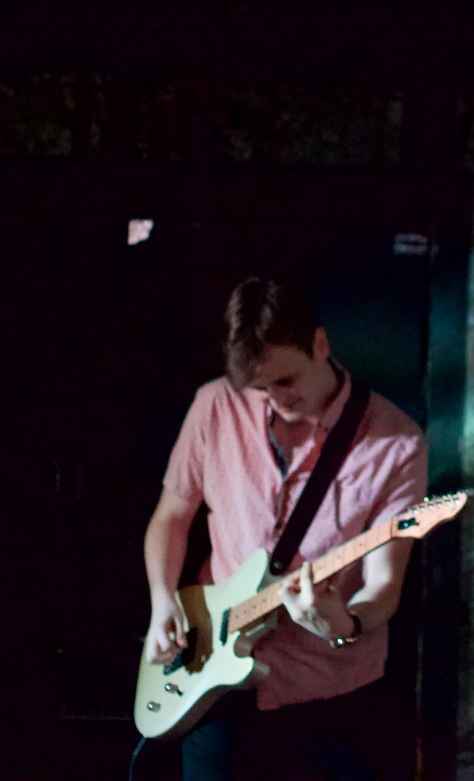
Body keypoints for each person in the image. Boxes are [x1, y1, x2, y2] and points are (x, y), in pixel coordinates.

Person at [143, 277, 428, 781]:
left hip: (330, 694)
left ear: (319, 343)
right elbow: (172, 515)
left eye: (286, 380)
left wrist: (344, 623)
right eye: (260, 388)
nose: (276, 399)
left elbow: (383, 586)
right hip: (216, 685)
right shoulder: (215, 405)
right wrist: (163, 601)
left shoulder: (396, 441)